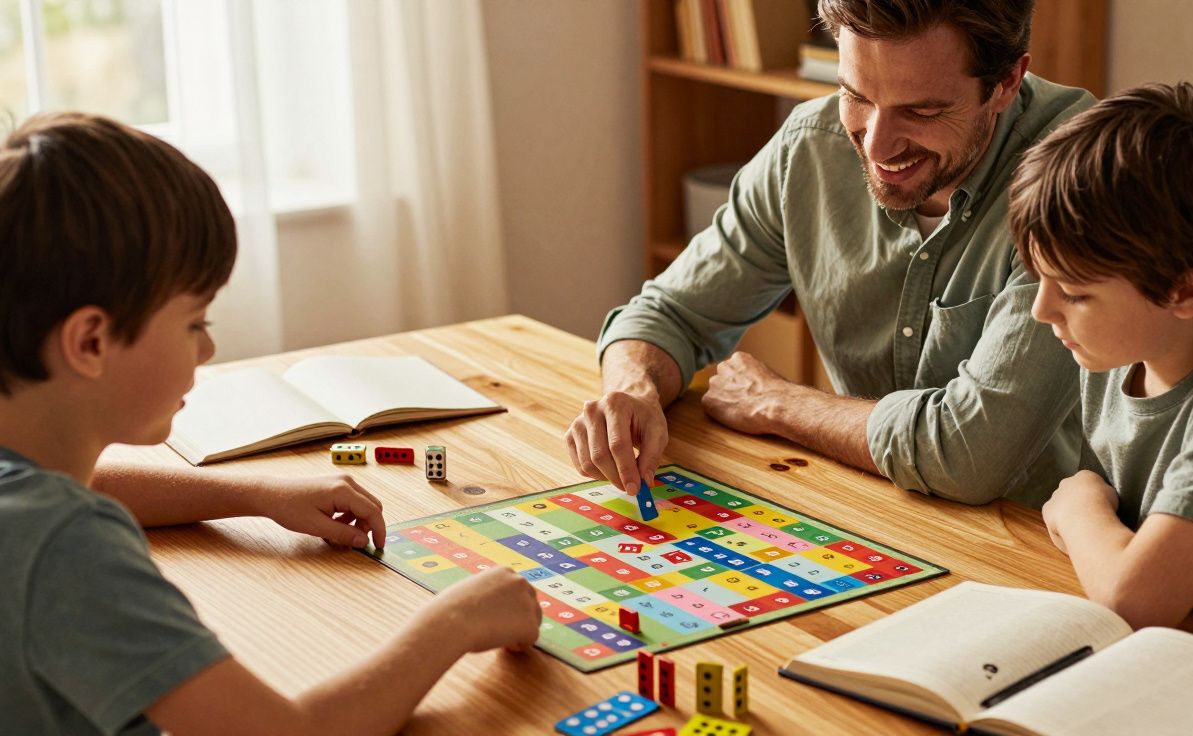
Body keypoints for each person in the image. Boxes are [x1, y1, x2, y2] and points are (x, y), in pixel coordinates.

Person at [0, 111, 541, 735]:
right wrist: (454, 624)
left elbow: (75, 490)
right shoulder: (68, 547)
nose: (206, 351)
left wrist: (252, 492)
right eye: (195, 323)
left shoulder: (31, 495)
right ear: (91, 341)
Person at [566, 0, 1096, 508]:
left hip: (1036, 549)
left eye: (922, 110)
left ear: (1006, 82)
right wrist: (632, 388)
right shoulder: (810, 148)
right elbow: (669, 314)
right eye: (856, 95)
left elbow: (970, 454)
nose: (877, 146)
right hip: (863, 507)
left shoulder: (1078, 181)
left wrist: (780, 402)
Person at [1010, 82, 1193, 627]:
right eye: (1041, 280)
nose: (1042, 311)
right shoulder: (1121, 349)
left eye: (1074, 293)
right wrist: (1133, 562)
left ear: (1188, 293)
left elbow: (1134, 602)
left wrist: (1080, 507)